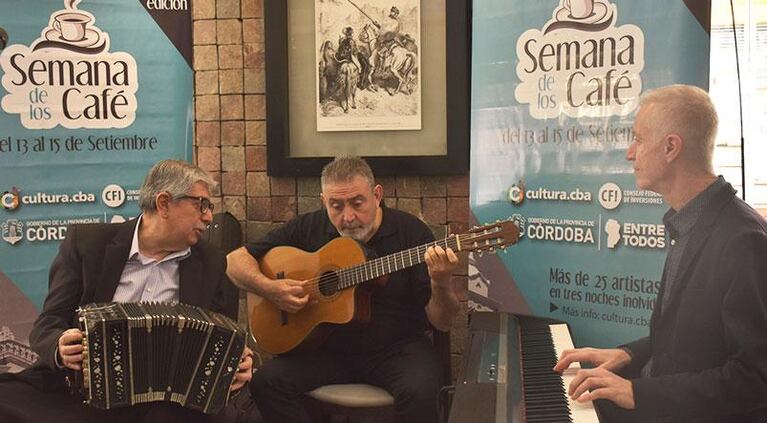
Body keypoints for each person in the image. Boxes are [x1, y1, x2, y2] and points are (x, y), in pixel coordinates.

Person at [553, 85, 767, 422]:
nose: (629, 152)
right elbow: (686, 343)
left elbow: (754, 381)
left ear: (671, 147)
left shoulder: (744, 240)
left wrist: (635, 392)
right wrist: (625, 354)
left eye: (638, 139)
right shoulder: (690, 222)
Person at [0, 159, 253, 423]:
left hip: (167, 400)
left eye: (209, 207)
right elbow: (48, 323)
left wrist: (238, 360)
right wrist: (60, 346)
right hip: (82, 390)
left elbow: (225, 335)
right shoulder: (87, 244)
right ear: (164, 203)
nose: (208, 216)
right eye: (201, 205)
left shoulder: (211, 261)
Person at [226, 156, 461, 423]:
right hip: (326, 351)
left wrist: (441, 281)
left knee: (422, 391)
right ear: (323, 200)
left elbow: (441, 321)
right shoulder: (310, 226)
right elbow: (234, 262)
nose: (348, 217)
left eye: (357, 203)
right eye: (335, 205)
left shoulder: (410, 233)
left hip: (398, 349)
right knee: (266, 382)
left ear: (376, 195)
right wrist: (270, 289)